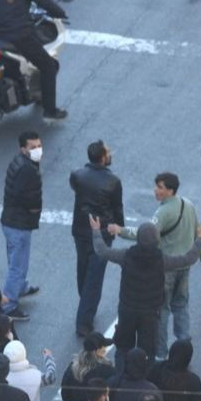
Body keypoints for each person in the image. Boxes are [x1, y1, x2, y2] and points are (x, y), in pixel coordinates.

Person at [92, 218, 201, 373]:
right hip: (150, 314)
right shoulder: (162, 260)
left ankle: (120, 380)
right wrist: (200, 238)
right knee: (147, 352)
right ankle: (145, 382)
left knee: (123, 348)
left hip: (127, 311)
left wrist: (96, 231)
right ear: (157, 240)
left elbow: (103, 250)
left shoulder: (126, 255)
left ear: (139, 238)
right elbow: (188, 258)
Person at [114, 173, 201, 356]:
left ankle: (161, 353)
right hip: (184, 266)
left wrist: (120, 231)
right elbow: (199, 232)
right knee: (181, 305)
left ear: (170, 190)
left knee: (162, 310)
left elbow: (145, 233)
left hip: (166, 268)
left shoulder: (163, 212)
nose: (155, 191)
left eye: (160, 187)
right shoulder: (188, 205)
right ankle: (184, 346)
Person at [0, 0, 68, 118]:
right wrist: (60, 13)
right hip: (18, 37)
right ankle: (50, 111)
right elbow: (45, 2)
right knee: (48, 66)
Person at [70, 140, 125, 336]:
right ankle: (84, 321)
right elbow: (117, 207)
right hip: (101, 233)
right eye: (108, 152)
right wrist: (119, 227)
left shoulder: (77, 175)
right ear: (102, 157)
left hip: (80, 229)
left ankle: (85, 303)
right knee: (94, 276)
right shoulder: (113, 181)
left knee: (83, 268)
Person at [0, 131, 45, 318]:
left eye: (39, 146)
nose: (38, 150)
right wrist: (34, 209)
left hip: (11, 220)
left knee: (15, 260)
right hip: (19, 223)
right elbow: (27, 197)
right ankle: (9, 305)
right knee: (18, 266)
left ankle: (20, 287)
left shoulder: (19, 162)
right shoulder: (27, 169)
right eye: (33, 147)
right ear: (23, 149)